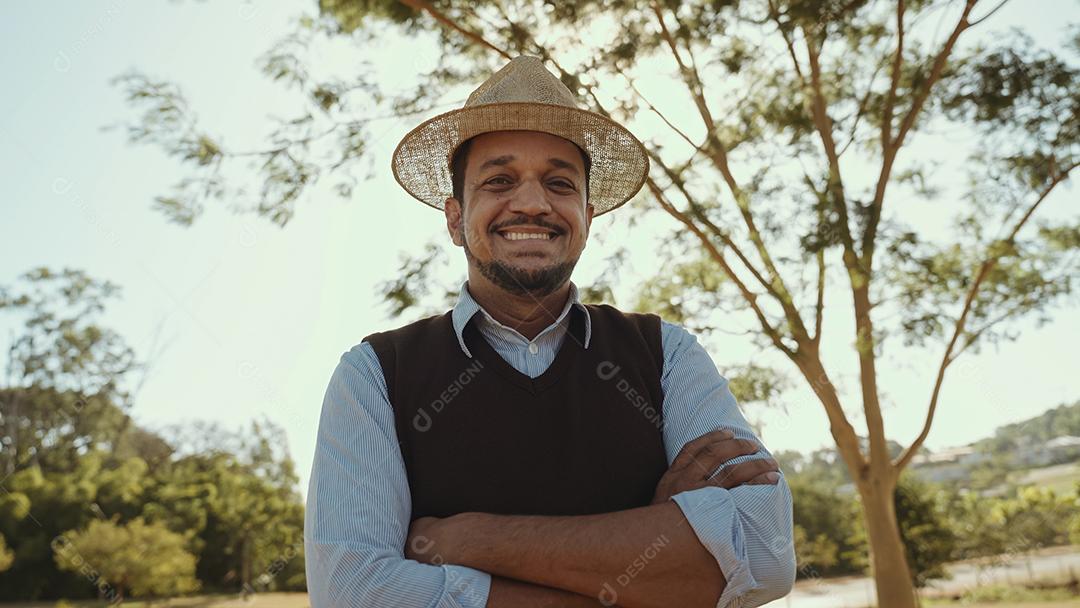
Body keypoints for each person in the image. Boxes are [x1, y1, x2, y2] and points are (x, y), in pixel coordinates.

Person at [305, 56, 795, 607]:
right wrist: (659, 557)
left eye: (559, 183)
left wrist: (467, 539)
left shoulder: (665, 355)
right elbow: (356, 595)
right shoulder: (375, 375)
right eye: (499, 180)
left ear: (586, 215)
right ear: (454, 217)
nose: (534, 204)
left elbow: (764, 554)